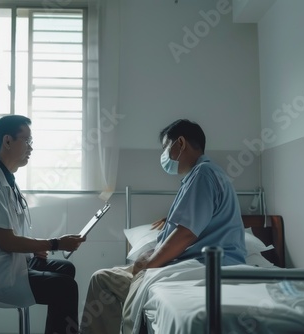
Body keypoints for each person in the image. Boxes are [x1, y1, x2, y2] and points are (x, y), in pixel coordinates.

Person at [79, 119, 246, 334]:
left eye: (165, 148)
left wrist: (150, 261)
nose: (164, 155)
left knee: (101, 279)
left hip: (199, 268)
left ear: (180, 143)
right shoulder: (207, 175)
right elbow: (192, 225)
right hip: (204, 265)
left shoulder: (202, 174)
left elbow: (185, 234)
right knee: (108, 276)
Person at [0, 115, 86, 334]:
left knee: (67, 270)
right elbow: (6, 241)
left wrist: (35, 251)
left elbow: (11, 235)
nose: (31, 148)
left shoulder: (6, 180)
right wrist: (54, 244)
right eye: (27, 141)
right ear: (7, 141)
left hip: (11, 265)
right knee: (65, 288)